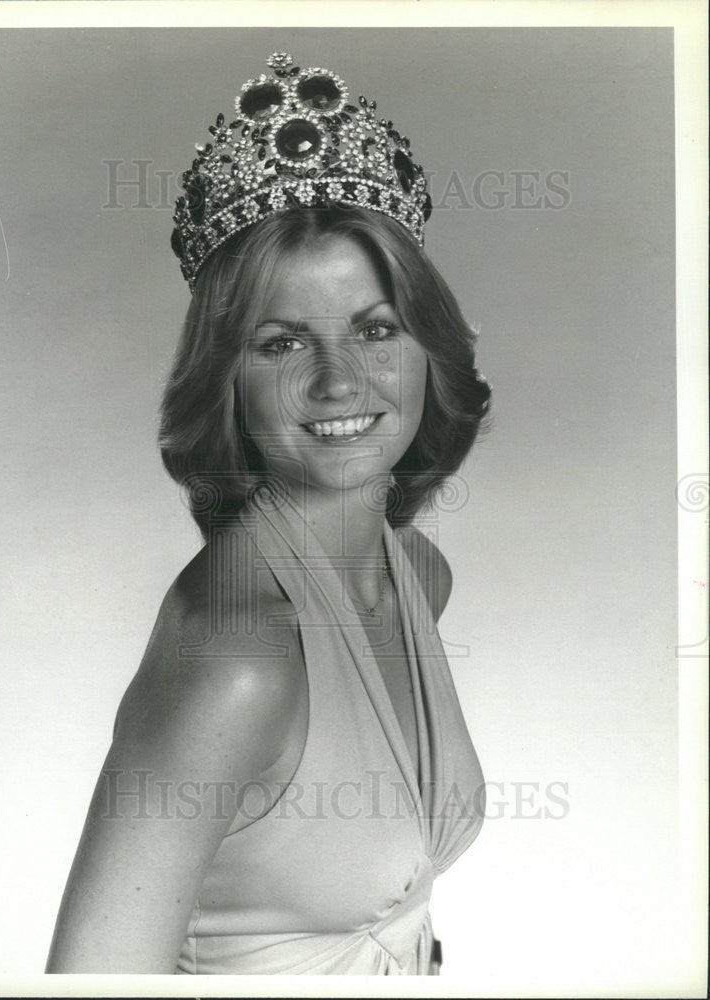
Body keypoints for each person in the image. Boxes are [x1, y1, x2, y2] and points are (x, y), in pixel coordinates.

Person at [46, 51, 491, 976]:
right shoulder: (239, 660)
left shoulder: (418, 578)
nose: (340, 381)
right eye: (282, 342)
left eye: (375, 328)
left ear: (428, 352)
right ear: (227, 380)